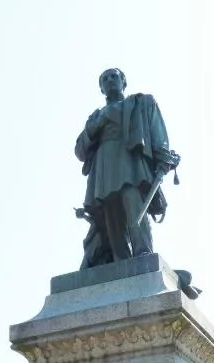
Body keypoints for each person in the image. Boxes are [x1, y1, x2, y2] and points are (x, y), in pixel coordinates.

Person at [75, 68, 178, 267]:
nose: (110, 80)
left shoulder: (141, 103)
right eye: (104, 79)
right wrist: (95, 126)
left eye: (114, 76)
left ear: (124, 81)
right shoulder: (95, 116)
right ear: (101, 89)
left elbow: (158, 133)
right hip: (103, 168)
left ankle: (142, 252)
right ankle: (120, 261)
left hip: (130, 161)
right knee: (111, 216)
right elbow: (80, 151)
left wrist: (163, 156)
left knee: (134, 205)